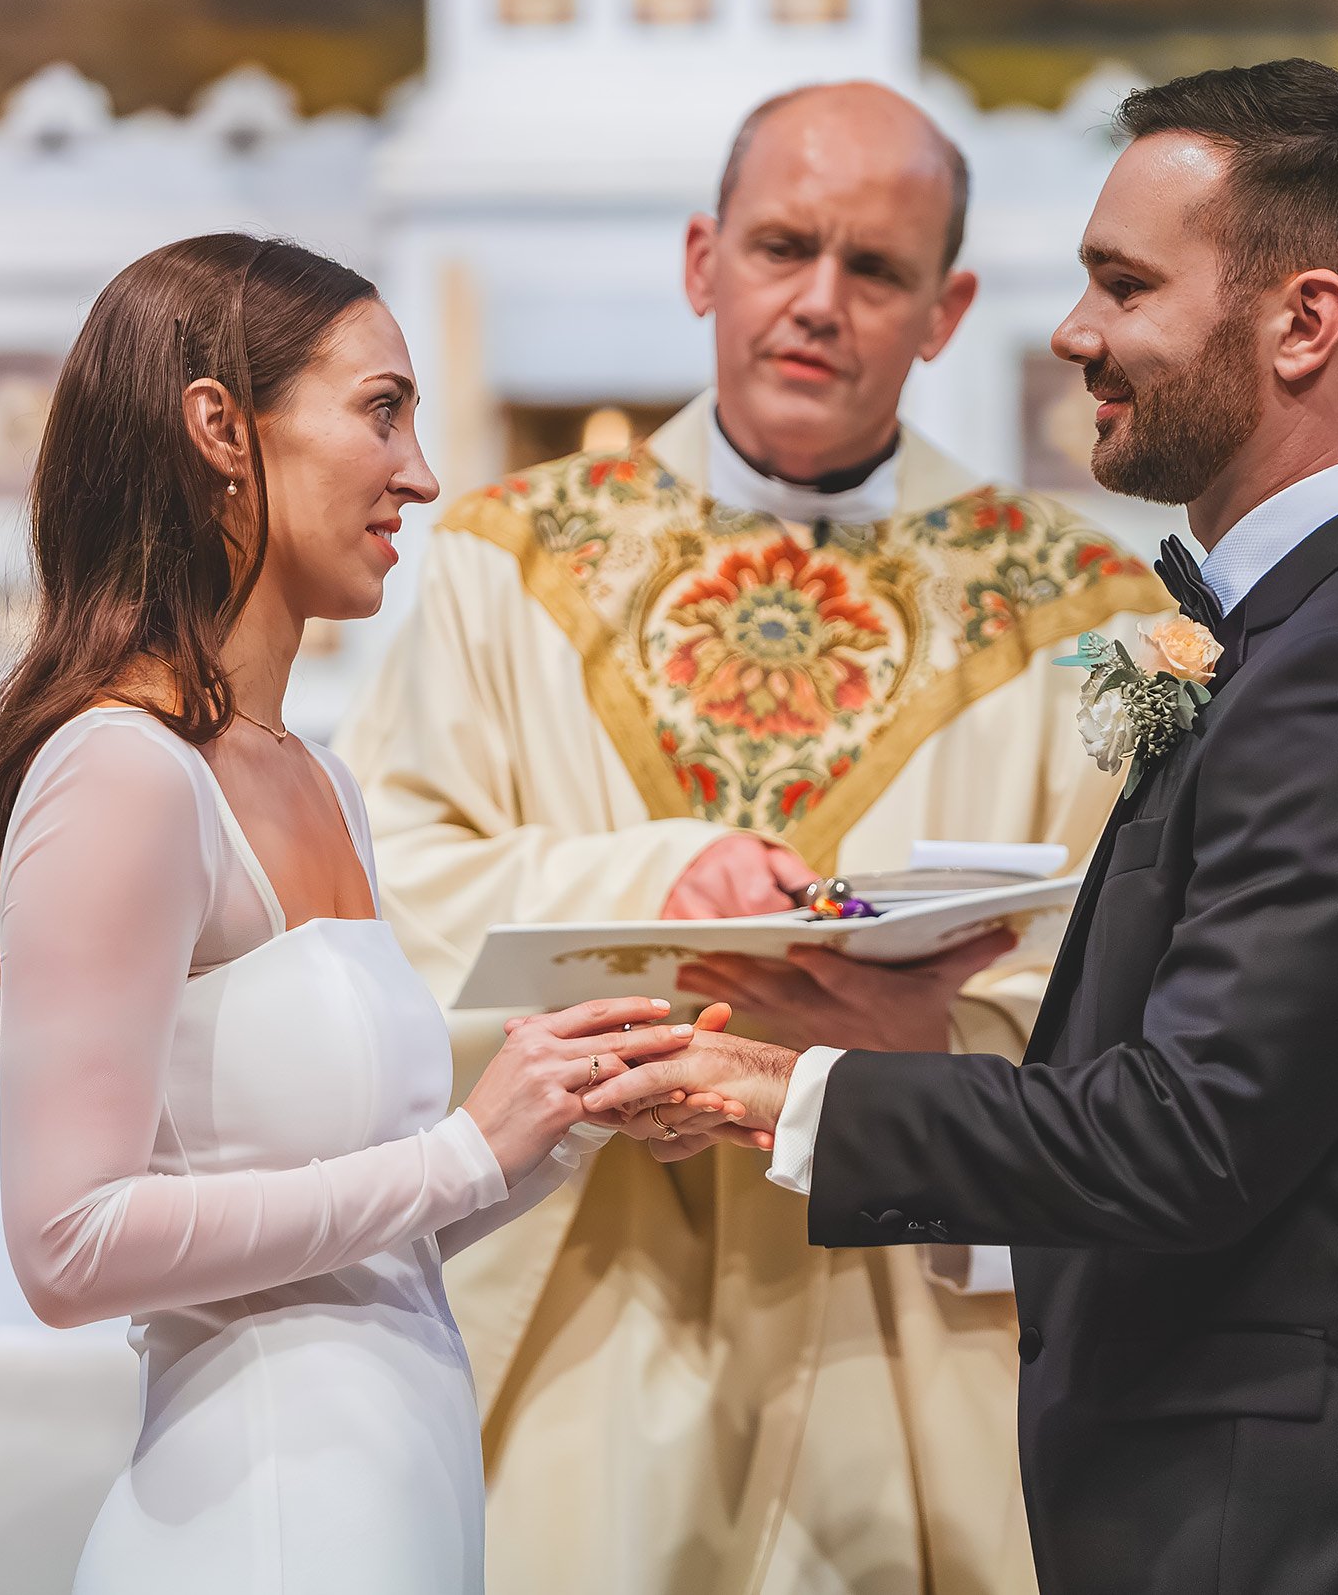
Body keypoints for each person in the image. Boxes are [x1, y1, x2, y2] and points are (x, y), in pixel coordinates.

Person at [590, 60, 1338, 1595]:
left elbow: (1189, 1136)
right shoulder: (1301, 639)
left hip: (1320, 1533)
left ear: (1304, 322)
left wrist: (788, 1093)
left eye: (1125, 285)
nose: (1076, 334)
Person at [345, 84, 1166, 1592]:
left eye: (876, 272)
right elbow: (382, 899)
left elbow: (1149, 1008)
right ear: (700, 261)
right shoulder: (502, 562)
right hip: (586, 1302)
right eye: (783, 249)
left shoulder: (1091, 620)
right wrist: (648, 881)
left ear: (946, 310)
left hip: (911, 1329)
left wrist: (939, 1029)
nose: (818, 304)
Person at [0, 233, 733, 1593]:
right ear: (223, 429)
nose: (421, 472)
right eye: (382, 410)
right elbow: (68, 1245)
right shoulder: (123, 771)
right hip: (256, 1522)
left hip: (394, 1508)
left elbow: (362, 1251)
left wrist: (568, 1122)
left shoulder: (320, 782)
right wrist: (470, 1148)